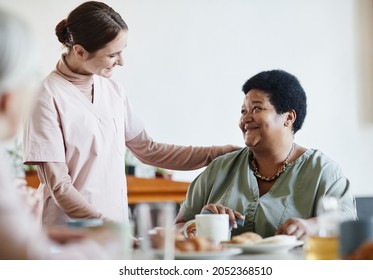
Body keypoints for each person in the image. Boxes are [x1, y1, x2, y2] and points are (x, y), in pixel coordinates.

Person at [23, 1, 239, 227]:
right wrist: (107, 226)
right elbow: (59, 186)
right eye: (112, 55)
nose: (121, 62)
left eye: (122, 51)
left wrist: (216, 154)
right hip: (68, 232)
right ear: (80, 51)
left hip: (115, 229)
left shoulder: (113, 91)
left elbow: (149, 150)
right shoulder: (45, 97)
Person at [0, 8, 126, 259]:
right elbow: (32, 260)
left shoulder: (111, 89)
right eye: (29, 80)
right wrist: (107, 241)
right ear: (7, 98)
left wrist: (37, 233)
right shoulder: (50, 93)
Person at [175, 69, 357, 240]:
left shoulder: (323, 171)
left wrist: (312, 226)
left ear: (288, 117)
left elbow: (346, 223)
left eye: (256, 109)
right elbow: (175, 230)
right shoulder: (219, 169)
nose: (245, 119)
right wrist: (200, 222)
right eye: (243, 111)